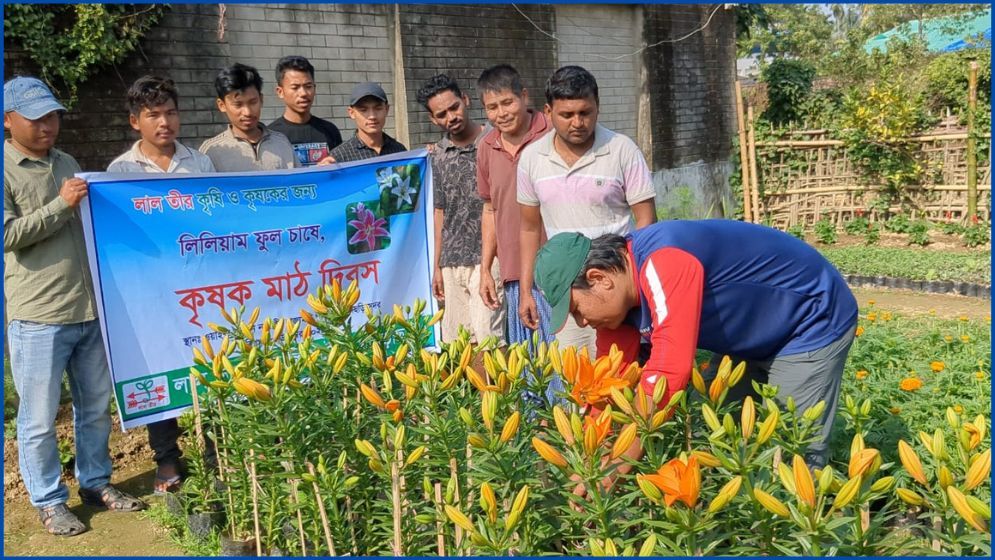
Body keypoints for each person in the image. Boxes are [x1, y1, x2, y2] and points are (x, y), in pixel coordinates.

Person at [533, 220, 859, 467]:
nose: (582, 323)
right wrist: (589, 458)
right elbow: (608, 384)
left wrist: (619, 463)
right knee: (717, 436)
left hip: (809, 319)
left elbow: (668, 373)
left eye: (576, 310)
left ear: (598, 279)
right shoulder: (618, 306)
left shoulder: (664, 262)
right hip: (749, 334)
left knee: (794, 452)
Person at [4, 76, 147, 537]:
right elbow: (7, 235)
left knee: (94, 409)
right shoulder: (5, 168)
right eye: (36, 118)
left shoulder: (66, 161)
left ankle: (96, 483)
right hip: (39, 315)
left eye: (52, 116)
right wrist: (60, 205)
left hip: (88, 309)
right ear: (8, 121)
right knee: (40, 418)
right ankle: (48, 501)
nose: (48, 125)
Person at [107, 75, 215, 495]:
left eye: (170, 112)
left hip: (199, 286)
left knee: (209, 367)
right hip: (151, 292)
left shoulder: (199, 163)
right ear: (136, 121)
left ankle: (213, 452)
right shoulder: (119, 171)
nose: (164, 122)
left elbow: (212, 221)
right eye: (153, 115)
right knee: (157, 372)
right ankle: (167, 458)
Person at [518, 66, 656, 357]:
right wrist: (526, 290)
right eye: (567, 115)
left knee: (624, 373)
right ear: (548, 111)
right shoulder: (532, 159)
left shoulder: (622, 150)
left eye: (586, 112)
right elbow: (529, 229)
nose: (577, 122)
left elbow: (646, 221)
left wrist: (641, 286)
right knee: (578, 378)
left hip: (616, 287)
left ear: (597, 107)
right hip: (568, 293)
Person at [474, 64, 559, 404]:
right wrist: (485, 268)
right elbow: (490, 209)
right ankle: (540, 442)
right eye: (492, 108)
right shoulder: (487, 147)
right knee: (529, 369)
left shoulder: (551, 133)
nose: (501, 114)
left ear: (525, 97)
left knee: (562, 365)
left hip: (555, 271)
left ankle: (572, 439)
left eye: (507, 103)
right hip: (513, 275)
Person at [415, 74, 503, 345]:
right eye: (442, 114)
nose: (451, 116)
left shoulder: (495, 142)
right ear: (433, 119)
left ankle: (499, 389)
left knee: (490, 336)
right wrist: (437, 266)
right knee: (461, 341)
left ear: (465, 100)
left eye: (454, 107)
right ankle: (477, 390)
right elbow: (439, 211)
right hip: (452, 259)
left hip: (490, 255)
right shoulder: (438, 155)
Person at [199, 63, 297, 171]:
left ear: (261, 100)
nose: (247, 112)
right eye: (238, 105)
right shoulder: (211, 151)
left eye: (253, 102)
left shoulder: (281, 143)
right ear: (222, 105)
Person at [268, 55, 342, 167]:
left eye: (308, 86)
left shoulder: (330, 131)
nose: (303, 93)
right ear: (280, 92)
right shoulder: (271, 135)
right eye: (295, 87)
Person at [328, 82, 407, 163]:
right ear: (351, 113)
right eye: (363, 110)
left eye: (378, 108)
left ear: (386, 110)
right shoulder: (339, 157)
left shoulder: (399, 150)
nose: (372, 116)